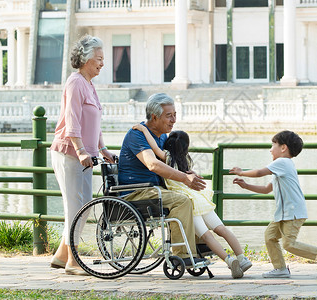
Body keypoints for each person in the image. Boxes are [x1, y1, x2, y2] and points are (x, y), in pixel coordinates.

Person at [132, 127, 253, 279]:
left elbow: (154, 147)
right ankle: (242, 257)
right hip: (199, 198)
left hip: (187, 200)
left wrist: (143, 130)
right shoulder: (186, 159)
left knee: (207, 235)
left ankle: (229, 260)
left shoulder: (167, 157)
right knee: (221, 228)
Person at [49, 35, 115, 276]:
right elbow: (73, 120)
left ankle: (62, 255)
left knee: (83, 205)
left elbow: (93, 123)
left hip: (85, 155)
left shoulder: (89, 84)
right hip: (70, 153)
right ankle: (73, 262)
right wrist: (79, 150)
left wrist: (102, 149)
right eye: (98, 59)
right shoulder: (75, 83)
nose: (102, 63)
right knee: (76, 206)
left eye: (103, 59)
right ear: (86, 59)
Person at [118, 93, 208, 267]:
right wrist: (184, 178)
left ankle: (198, 245)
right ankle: (182, 254)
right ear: (154, 117)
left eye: (175, 114)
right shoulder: (136, 135)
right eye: (169, 116)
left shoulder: (162, 137)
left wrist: (187, 173)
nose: (173, 120)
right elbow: (153, 164)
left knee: (194, 197)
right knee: (182, 201)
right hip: (136, 192)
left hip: (154, 190)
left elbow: (169, 162)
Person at [229, 130, 317, 278]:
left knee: (288, 243)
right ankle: (280, 269)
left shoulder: (282, 162)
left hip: (293, 212)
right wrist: (246, 186)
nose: (270, 149)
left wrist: (241, 172)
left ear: (283, 148)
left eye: (273, 145)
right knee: (270, 236)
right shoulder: (282, 167)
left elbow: (259, 172)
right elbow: (266, 189)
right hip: (283, 213)